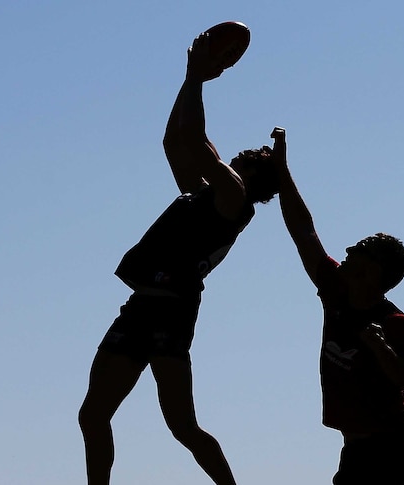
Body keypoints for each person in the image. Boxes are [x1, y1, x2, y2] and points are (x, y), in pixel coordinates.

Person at [77, 32, 280, 485]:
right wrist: (190, 82)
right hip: (144, 306)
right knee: (93, 416)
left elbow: (194, 136)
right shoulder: (206, 194)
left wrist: (196, 77)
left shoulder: (234, 198)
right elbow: (176, 141)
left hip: (170, 308)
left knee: (182, 426)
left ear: (247, 171)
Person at [271, 127, 404, 485]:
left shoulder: (399, 325)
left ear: (375, 270)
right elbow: (303, 230)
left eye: (359, 249)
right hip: (355, 452)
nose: (347, 251)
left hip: (396, 449)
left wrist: (380, 347)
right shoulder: (336, 291)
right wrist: (282, 169)